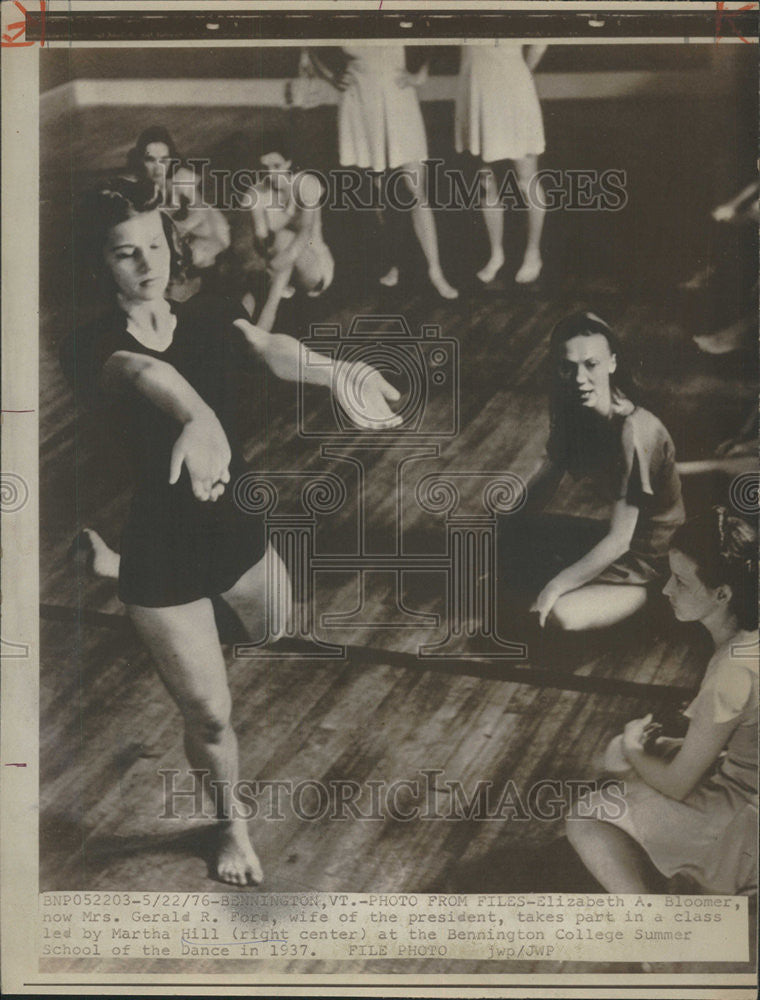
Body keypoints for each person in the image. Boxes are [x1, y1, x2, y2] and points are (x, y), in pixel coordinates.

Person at [61, 177, 401, 886]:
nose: (147, 262)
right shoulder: (90, 344)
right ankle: (229, 824)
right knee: (210, 717)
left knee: (274, 629)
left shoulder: (210, 316)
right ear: (102, 265)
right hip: (167, 553)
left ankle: (111, 574)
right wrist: (199, 420)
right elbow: (147, 371)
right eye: (125, 253)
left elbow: (266, 344)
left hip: (238, 524)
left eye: (154, 244)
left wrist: (335, 372)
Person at [566, 508, 758, 895]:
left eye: (682, 582)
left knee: (586, 813)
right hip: (746, 783)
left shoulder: (732, 670)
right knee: (622, 759)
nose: (667, 589)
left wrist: (637, 749)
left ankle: (656, 931)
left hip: (745, 820)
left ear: (722, 594)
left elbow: (677, 784)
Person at [501, 311, 684, 631]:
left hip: (654, 562)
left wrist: (554, 587)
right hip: (614, 542)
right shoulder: (575, 412)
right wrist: (505, 526)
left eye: (591, 364)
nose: (579, 378)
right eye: (568, 367)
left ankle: (658, 602)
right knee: (506, 536)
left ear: (612, 363)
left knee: (560, 616)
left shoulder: (635, 430)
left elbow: (619, 541)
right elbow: (547, 477)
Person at [312, 44, 458, 300]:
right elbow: (308, 45)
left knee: (416, 192)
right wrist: (332, 77)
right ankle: (395, 262)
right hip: (360, 103)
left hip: (398, 100)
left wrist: (420, 74)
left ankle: (435, 271)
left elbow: (436, 33)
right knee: (381, 194)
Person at [455, 43, 547, 284]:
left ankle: (533, 253)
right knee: (485, 179)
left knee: (526, 179)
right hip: (476, 91)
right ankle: (496, 254)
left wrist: (516, 73)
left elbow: (540, 43)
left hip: (514, 92)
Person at [127, 125, 231, 298]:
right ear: (140, 160)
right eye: (150, 160)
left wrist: (181, 227)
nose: (158, 168)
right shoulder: (134, 186)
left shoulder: (181, 178)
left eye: (164, 160)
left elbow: (201, 211)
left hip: (201, 234)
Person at [248, 131, 334, 332]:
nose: (271, 173)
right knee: (252, 282)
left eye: (276, 166)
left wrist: (278, 261)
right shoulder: (256, 192)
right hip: (281, 269)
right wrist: (267, 251)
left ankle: (264, 322)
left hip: (314, 268)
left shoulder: (306, 184)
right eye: (265, 167)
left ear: (289, 163)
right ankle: (245, 331)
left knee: (285, 238)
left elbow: (305, 232)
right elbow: (260, 239)